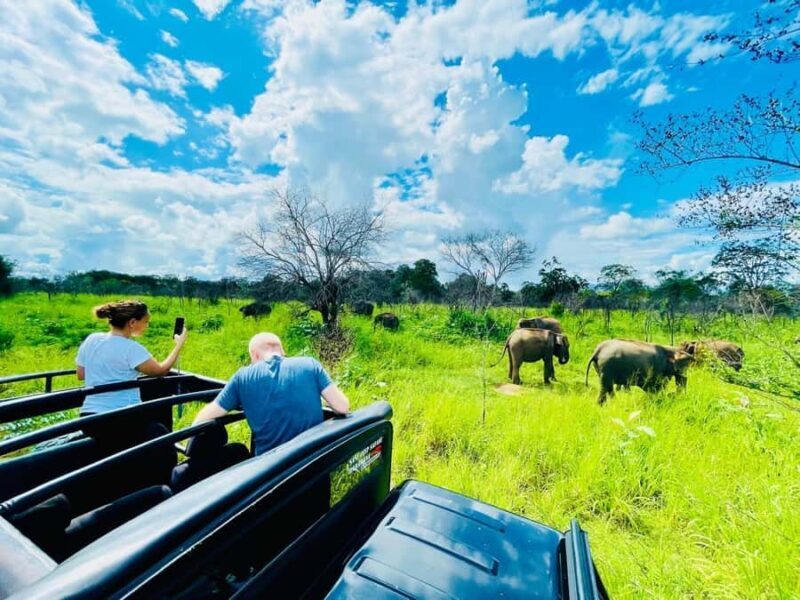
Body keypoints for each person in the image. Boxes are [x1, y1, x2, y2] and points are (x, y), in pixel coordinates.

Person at [192, 332, 349, 456]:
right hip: (312, 463)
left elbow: (204, 417)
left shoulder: (242, 377)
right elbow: (342, 407)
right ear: (282, 351)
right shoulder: (310, 364)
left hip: (268, 472)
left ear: (254, 355)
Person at [76, 300, 188, 415]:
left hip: (88, 417)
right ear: (133, 322)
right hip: (122, 416)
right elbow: (160, 371)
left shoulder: (92, 339)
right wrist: (179, 345)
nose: (147, 326)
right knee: (158, 429)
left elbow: (81, 374)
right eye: (146, 321)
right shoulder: (131, 348)